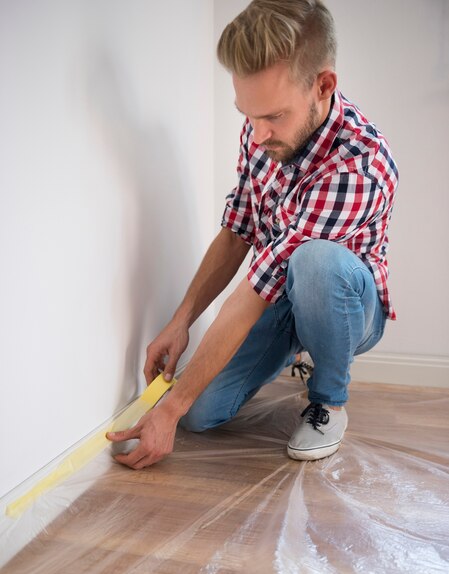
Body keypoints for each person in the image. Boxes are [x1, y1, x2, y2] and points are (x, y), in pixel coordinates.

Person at [107, 0, 398, 468]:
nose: (257, 135)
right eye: (249, 114)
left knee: (315, 261)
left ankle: (329, 398)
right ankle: (292, 348)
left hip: (347, 304)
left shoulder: (360, 163)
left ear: (323, 86)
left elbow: (257, 287)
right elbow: (239, 228)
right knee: (201, 415)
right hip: (279, 298)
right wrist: (181, 320)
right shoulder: (261, 131)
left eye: (274, 117)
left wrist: (171, 405)